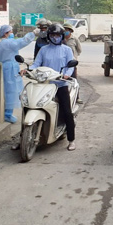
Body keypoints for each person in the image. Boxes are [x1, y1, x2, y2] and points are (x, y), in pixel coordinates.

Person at [23, 23, 77, 151]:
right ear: (48, 36)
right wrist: (28, 70)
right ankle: (22, 137)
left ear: (61, 36)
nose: (55, 37)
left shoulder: (66, 50)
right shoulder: (44, 49)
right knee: (28, 106)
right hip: (44, 84)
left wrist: (66, 75)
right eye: (53, 34)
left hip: (60, 84)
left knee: (67, 111)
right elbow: (36, 64)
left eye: (58, 35)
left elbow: (71, 66)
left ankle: (71, 140)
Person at [0, 24, 39, 123]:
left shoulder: (5, 42)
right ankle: (7, 114)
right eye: (10, 32)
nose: (12, 33)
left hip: (10, 67)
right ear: (6, 33)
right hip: (10, 68)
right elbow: (21, 42)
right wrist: (33, 33)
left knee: (11, 90)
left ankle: (7, 113)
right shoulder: (6, 43)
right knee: (11, 91)